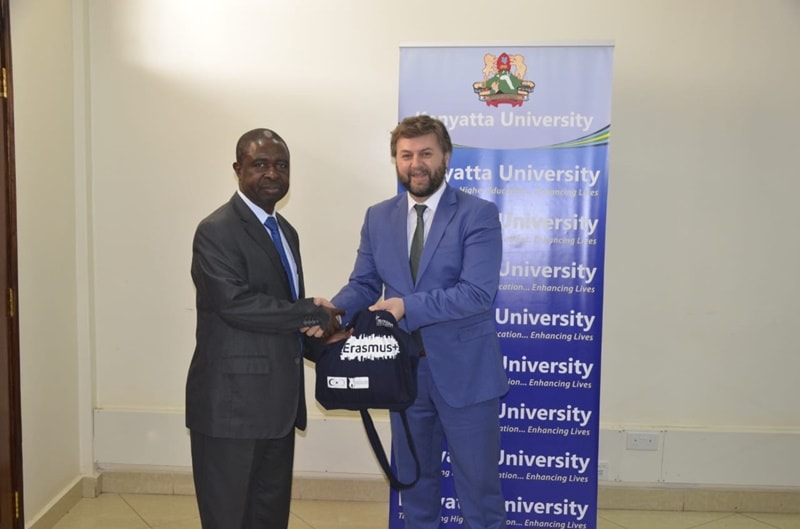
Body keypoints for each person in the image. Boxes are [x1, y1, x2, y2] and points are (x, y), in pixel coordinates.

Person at [331, 115, 508, 529]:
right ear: (396, 160)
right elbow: (364, 284)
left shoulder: (478, 214)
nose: (416, 164)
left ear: (446, 156)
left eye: (426, 153)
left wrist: (405, 307)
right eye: (406, 155)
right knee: (414, 488)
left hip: (466, 376)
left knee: (479, 494)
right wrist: (332, 312)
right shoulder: (378, 217)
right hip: (403, 373)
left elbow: (477, 293)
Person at [186, 128, 343, 529]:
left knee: (269, 518)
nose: (273, 173)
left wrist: (329, 338)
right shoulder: (216, 230)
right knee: (229, 518)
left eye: (281, 165)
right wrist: (310, 314)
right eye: (260, 164)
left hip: (278, 407)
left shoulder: (286, 232)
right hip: (232, 408)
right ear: (237, 169)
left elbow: (284, 315)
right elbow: (235, 304)